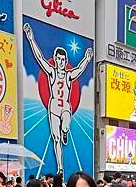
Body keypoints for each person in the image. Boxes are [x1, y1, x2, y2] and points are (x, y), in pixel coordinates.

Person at [24, 21, 93, 174]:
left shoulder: (69, 75)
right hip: (54, 106)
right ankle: (60, 168)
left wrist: (87, 59)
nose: (60, 62)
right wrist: (31, 39)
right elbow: (40, 58)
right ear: (55, 59)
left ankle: (65, 132)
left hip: (65, 107)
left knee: (65, 126)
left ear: (65, 61)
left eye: (63, 60)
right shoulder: (52, 72)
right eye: (58, 59)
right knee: (56, 139)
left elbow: (80, 69)